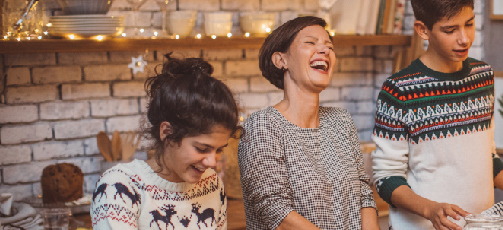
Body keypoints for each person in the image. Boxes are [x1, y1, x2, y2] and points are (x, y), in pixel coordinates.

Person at [370, 0, 503, 229]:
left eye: (469, 24)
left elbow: (487, 157)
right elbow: (386, 179)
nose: (464, 38)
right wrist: (431, 210)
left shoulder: (483, 76)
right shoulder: (398, 90)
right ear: (423, 30)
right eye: (450, 30)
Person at [237, 16, 379, 230]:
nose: (324, 50)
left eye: (329, 46)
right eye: (311, 43)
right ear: (281, 60)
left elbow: (363, 193)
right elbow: (275, 210)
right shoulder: (262, 126)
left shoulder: (341, 121)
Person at [91, 56, 239, 230]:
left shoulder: (212, 185)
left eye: (219, 150)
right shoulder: (119, 186)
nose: (212, 162)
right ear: (167, 132)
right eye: (202, 148)